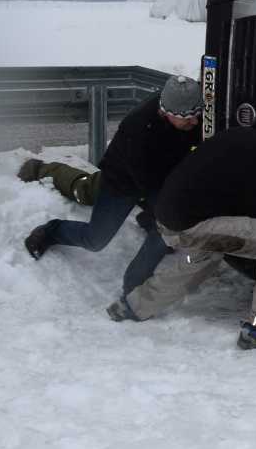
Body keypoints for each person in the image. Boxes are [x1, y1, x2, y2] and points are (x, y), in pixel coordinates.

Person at [116, 105, 256, 349]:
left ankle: (134, 306)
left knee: (207, 254)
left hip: (168, 216)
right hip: (189, 226)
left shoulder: (240, 135)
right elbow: (250, 216)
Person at [22, 75, 203, 299]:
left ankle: (133, 290)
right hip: (123, 181)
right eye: (187, 118)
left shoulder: (190, 109)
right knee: (96, 239)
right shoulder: (138, 130)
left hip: (164, 175)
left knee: (163, 230)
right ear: (167, 113)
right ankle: (52, 231)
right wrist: (163, 213)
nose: (195, 122)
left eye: (197, 115)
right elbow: (148, 185)